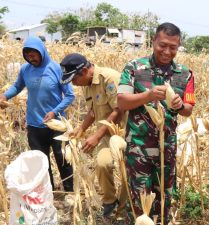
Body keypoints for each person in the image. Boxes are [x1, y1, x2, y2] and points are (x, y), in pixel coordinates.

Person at [117, 22, 195, 224]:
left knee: (164, 200)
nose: (167, 51)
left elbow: (188, 110)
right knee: (138, 200)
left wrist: (179, 106)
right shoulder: (134, 68)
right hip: (138, 149)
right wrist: (148, 95)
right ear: (153, 41)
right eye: (163, 45)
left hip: (166, 149)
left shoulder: (185, 74)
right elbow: (122, 102)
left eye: (173, 47)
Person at [0, 36, 75, 192]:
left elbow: (70, 95)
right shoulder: (25, 70)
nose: (31, 58)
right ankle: (48, 191)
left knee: (63, 159)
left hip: (57, 125)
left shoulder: (57, 69)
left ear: (42, 52)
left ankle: (69, 191)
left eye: (34, 55)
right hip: (35, 124)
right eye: (27, 56)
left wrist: (54, 112)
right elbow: (17, 86)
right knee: (41, 161)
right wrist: (5, 96)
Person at [59, 53, 128, 218]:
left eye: (74, 79)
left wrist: (96, 136)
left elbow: (119, 110)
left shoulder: (110, 78)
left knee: (128, 172)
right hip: (106, 135)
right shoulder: (87, 84)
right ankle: (110, 201)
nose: (74, 84)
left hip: (124, 134)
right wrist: (81, 129)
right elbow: (92, 111)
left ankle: (124, 210)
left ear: (83, 71)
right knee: (102, 163)